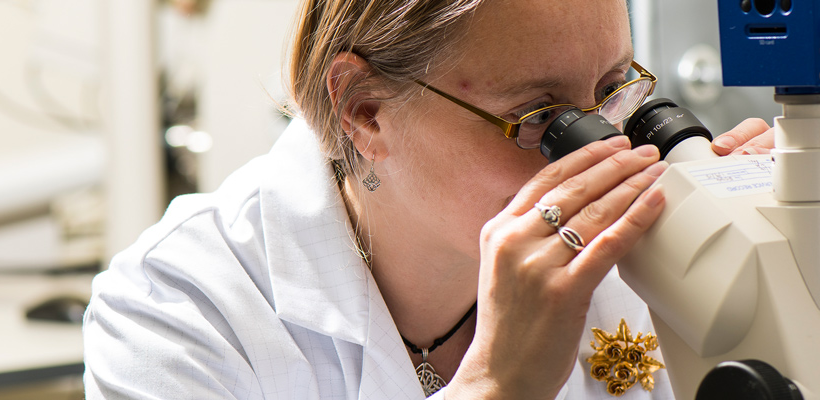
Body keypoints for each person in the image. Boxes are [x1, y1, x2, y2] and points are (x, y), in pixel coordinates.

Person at [83, 0, 774, 398]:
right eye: (540, 115)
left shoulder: (642, 254)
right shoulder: (176, 310)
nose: (607, 150)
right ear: (365, 111)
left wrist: (774, 291)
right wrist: (496, 385)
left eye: (612, 90)